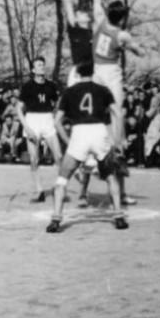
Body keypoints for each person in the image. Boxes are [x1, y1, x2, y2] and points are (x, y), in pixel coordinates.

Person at [78, 0, 146, 207]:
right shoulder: (122, 35)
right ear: (124, 18)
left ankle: (88, 185)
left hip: (95, 74)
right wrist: (139, 49)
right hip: (111, 75)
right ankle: (117, 180)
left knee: (92, 124)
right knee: (115, 129)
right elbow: (138, 51)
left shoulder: (98, 21)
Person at [46, 62, 128, 234]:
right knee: (110, 176)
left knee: (62, 178)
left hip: (79, 132)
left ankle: (55, 219)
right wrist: (116, 140)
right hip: (99, 131)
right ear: (93, 73)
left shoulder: (69, 92)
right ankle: (118, 216)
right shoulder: (103, 89)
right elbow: (118, 114)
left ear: (77, 74)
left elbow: (57, 121)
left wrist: (68, 141)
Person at [16, 56, 63, 202]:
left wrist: (55, 117)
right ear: (33, 70)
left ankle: (59, 186)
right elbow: (18, 109)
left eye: (43, 65)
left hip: (47, 119)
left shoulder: (51, 85)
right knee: (34, 159)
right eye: (39, 65)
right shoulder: (27, 86)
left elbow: (58, 102)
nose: (42, 67)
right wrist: (26, 127)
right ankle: (39, 190)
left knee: (59, 157)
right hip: (32, 120)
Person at [56, 0, 95, 85]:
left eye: (81, 12)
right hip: (78, 72)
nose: (78, 13)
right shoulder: (75, 29)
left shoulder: (93, 32)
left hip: (92, 72)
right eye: (77, 13)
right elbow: (67, 2)